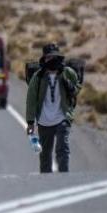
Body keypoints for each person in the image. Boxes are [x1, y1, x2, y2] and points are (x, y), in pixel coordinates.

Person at [26, 43, 81, 173]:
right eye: (48, 57)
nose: (51, 60)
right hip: (44, 121)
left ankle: (64, 178)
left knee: (62, 149)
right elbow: (31, 100)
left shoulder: (68, 73)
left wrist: (72, 88)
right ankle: (47, 182)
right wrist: (30, 122)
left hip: (63, 117)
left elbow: (78, 86)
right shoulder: (38, 77)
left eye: (53, 57)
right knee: (45, 154)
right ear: (44, 59)